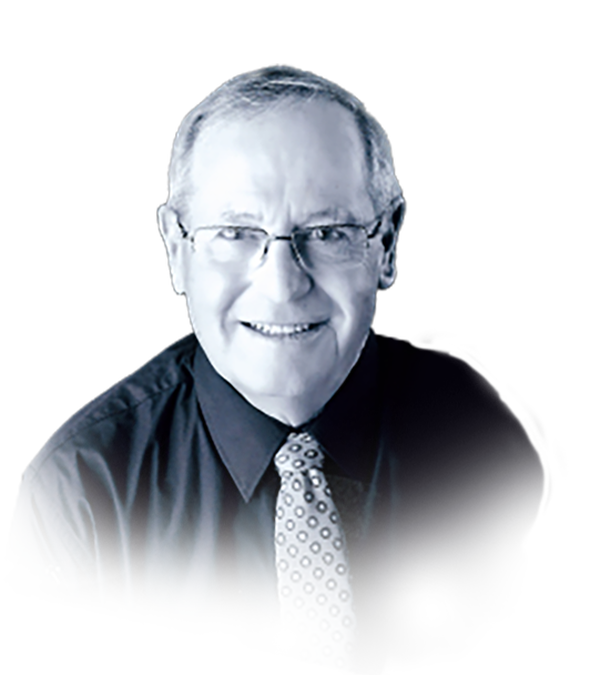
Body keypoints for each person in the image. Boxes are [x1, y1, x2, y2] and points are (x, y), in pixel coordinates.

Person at [6, 64, 566, 674]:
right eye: (236, 233)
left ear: (388, 244)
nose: (282, 284)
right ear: (176, 250)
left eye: (327, 232)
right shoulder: (80, 497)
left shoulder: (517, 441)